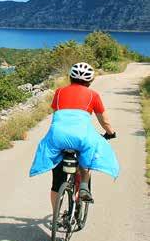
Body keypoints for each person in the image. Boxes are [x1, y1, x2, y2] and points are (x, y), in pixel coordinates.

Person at [29, 62, 119, 209]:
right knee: (86, 156)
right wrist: (111, 133)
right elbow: (104, 121)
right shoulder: (93, 95)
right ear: (90, 81)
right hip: (82, 136)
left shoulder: (59, 92)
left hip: (57, 136)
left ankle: (56, 217)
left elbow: (57, 114)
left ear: (70, 77)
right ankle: (84, 185)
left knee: (57, 182)